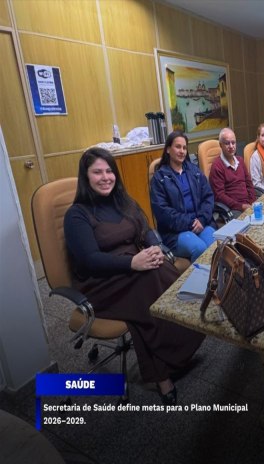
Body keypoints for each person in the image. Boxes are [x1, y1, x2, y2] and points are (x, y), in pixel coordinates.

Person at [64, 147, 204, 405]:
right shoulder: (77, 214)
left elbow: (146, 229)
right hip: (100, 282)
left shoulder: (122, 201)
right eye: (97, 172)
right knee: (147, 290)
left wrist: (155, 247)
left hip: (133, 266)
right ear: (86, 177)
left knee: (166, 271)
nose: (105, 177)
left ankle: (183, 343)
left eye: (109, 171)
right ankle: (163, 373)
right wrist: (132, 262)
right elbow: (90, 260)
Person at [150, 131, 215, 263]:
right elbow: (163, 212)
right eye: (178, 147)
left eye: (184, 148)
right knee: (200, 248)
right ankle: (199, 277)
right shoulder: (159, 178)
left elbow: (208, 197)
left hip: (200, 223)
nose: (182, 151)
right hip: (174, 232)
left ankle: (215, 276)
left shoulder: (194, 171)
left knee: (216, 244)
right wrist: (190, 223)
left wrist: (202, 219)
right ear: (168, 149)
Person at [209, 127, 256, 217]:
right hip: (233, 209)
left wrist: (252, 202)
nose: (231, 146)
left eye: (233, 142)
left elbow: (249, 184)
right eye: (227, 143)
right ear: (221, 145)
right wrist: (241, 206)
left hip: (248, 204)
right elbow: (220, 196)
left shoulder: (240, 160)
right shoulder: (217, 166)